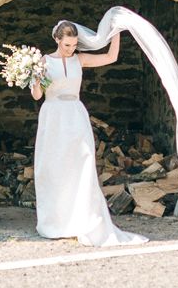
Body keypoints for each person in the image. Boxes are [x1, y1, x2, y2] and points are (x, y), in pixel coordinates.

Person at [31, 19, 147, 247]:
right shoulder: (44, 62)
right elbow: (36, 95)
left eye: (74, 45)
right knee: (52, 167)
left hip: (75, 115)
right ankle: (55, 223)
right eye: (67, 45)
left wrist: (116, 31)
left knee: (81, 165)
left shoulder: (80, 59)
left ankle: (82, 220)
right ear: (57, 40)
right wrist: (33, 76)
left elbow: (110, 57)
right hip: (53, 116)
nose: (71, 49)